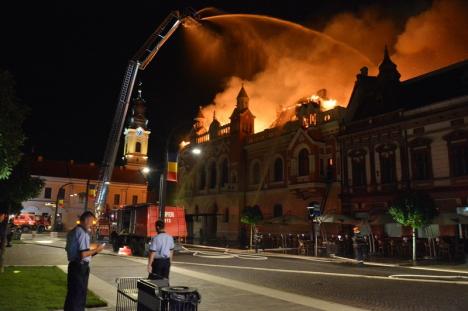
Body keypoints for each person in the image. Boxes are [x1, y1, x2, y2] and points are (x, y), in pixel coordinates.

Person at [64, 211, 105, 311]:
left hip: (73, 266)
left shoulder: (73, 231)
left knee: (72, 295)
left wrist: (95, 252)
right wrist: (97, 249)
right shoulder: (83, 233)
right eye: (91, 221)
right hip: (80, 268)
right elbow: (83, 254)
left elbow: (83, 254)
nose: (91, 224)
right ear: (86, 220)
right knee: (79, 296)